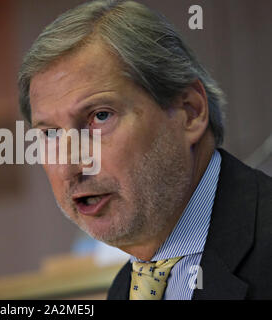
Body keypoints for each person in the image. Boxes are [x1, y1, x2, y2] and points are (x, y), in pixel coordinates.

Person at [17, 0, 272, 300]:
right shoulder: (124, 289)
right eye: (50, 134)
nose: (71, 166)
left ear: (190, 112)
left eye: (100, 116)